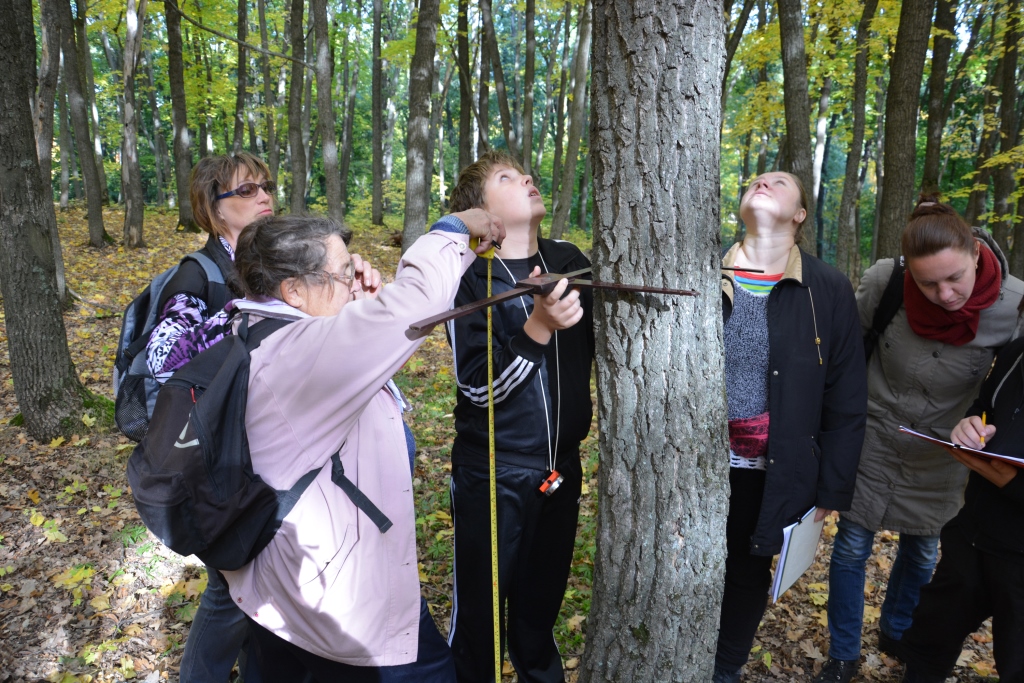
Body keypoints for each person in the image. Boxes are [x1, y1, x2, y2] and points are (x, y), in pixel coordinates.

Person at [221, 211, 503, 679]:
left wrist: (352, 305)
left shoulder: (259, 327)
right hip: (336, 601)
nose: (356, 279)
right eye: (344, 272)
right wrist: (454, 227)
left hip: (289, 586)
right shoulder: (299, 351)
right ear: (293, 290)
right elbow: (417, 304)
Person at [815, 196, 1024, 683]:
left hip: (944, 451)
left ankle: (899, 633)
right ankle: (843, 654)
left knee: (923, 552)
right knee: (850, 546)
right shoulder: (886, 282)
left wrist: (985, 427)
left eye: (955, 278)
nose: (945, 294)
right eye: (928, 284)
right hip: (872, 436)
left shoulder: (1013, 304)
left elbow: (1010, 386)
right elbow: (845, 349)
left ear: (975, 253)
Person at [443, 150, 594, 683]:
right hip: (495, 471)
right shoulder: (469, 275)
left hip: (560, 468)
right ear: (481, 212)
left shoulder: (571, 259)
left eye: (524, 173)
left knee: (539, 607)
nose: (527, 178)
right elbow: (479, 389)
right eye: (506, 178)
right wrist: (538, 326)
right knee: (481, 622)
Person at [714, 171, 868, 683]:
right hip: (695, 464)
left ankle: (725, 667)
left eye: (780, 182)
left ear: (800, 215)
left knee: (747, 571)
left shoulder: (826, 287)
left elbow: (846, 397)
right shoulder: (702, 272)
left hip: (774, 468)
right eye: (756, 180)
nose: (763, 183)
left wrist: (831, 487)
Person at [145, 152, 275, 682]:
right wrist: (238, 315)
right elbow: (163, 356)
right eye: (246, 191)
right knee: (233, 586)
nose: (264, 196)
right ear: (213, 209)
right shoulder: (198, 275)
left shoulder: (269, 262)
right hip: (217, 458)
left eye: (266, 186)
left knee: (262, 587)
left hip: (267, 447)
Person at [899, 335, 1024, 683]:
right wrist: (969, 427)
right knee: (929, 642)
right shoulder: (1016, 352)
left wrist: (1009, 482)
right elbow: (984, 407)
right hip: (971, 537)